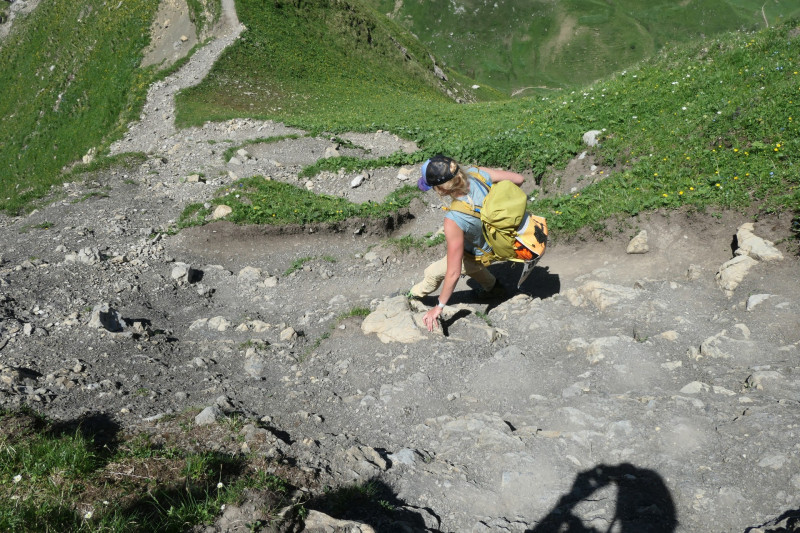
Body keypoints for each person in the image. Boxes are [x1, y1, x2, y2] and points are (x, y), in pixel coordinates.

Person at [409, 155, 524, 332]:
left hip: (486, 252)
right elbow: (519, 179)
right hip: (508, 238)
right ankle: (493, 288)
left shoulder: (454, 219)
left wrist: (439, 307)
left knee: (433, 273)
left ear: (442, 189)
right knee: (470, 266)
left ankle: (412, 296)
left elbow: (453, 272)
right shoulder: (477, 173)